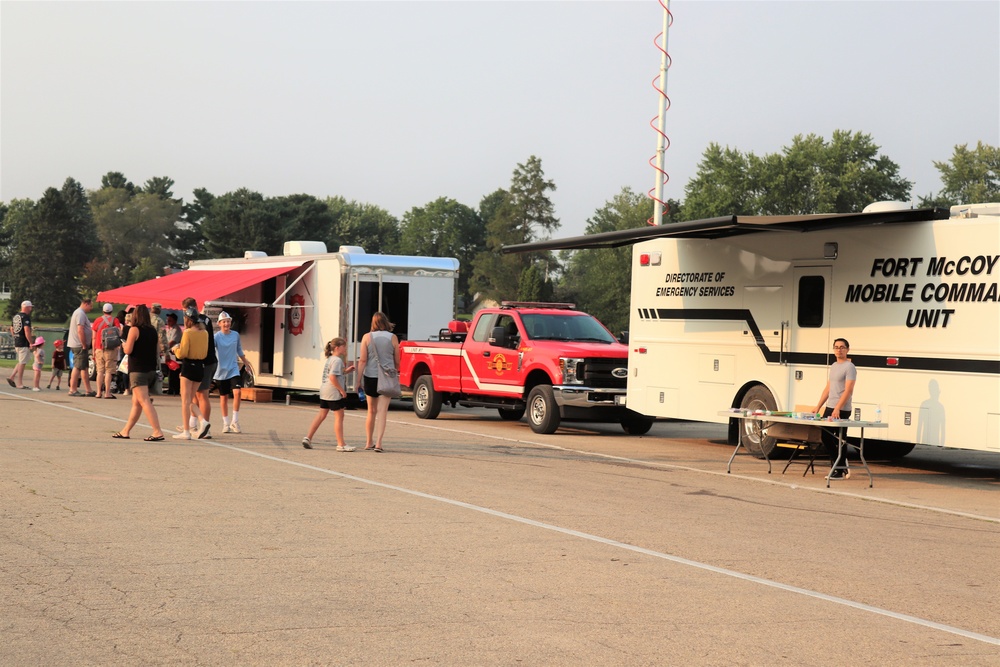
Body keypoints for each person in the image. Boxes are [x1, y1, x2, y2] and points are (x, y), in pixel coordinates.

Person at [112, 305, 166, 442]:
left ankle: (157, 431)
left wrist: (124, 345)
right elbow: (157, 348)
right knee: (136, 402)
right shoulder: (152, 330)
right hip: (150, 369)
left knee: (144, 401)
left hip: (138, 370)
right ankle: (126, 430)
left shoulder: (134, 330)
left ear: (136, 316)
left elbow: (128, 350)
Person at [813, 337, 857, 480]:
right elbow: (828, 387)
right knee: (825, 436)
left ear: (847, 349)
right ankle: (840, 466)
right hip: (830, 406)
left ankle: (839, 470)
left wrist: (838, 408)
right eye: (836, 347)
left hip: (842, 408)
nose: (839, 349)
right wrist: (818, 406)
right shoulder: (833, 365)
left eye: (842, 347)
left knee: (840, 439)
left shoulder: (849, 367)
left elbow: (848, 389)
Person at [355, 311, 400, 452]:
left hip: (370, 377)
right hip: (386, 377)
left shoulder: (366, 337)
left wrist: (357, 381)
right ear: (386, 322)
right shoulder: (393, 338)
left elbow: (362, 360)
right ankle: (379, 443)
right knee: (382, 412)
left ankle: (369, 442)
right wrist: (394, 370)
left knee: (371, 411)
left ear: (373, 323)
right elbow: (397, 361)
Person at [303, 338, 355, 451]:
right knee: (339, 416)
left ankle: (308, 437)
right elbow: (332, 377)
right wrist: (341, 390)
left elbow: (335, 373)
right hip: (333, 392)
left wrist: (347, 371)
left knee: (322, 415)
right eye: (343, 346)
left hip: (324, 390)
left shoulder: (331, 359)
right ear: (337, 348)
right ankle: (341, 444)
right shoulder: (337, 360)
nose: (345, 348)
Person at [171, 307, 208, 440]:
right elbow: (205, 351)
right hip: (200, 367)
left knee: (185, 401)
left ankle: (186, 431)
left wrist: (175, 349)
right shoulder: (205, 333)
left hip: (189, 366)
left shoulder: (187, 333)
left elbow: (183, 353)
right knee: (191, 399)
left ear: (187, 320)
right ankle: (202, 421)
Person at [181, 297, 216, 439]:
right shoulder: (205, 320)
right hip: (207, 360)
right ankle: (193, 423)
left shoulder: (198, 322)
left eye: (185, 310)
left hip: (204, 361)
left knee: (202, 395)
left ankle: (205, 427)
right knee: (194, 395)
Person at [213, 311, 251, 434]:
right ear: (219, 323)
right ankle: (226, 423)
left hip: (233, 368)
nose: (226, 324)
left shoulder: (235, 335)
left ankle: (235, 421)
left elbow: (239, 349)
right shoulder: (216, 337)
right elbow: (210, 351)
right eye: (224, 322)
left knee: (237, 392)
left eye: (228, 321)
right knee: (223, 397)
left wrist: (246, 362)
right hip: (220, 370)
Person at [67, 298, 96, 397]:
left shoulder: (80, 313)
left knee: (83, 367)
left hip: (79, 344)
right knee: (78, 367)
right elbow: (80, 330)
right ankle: (73, 389)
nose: (91, 308)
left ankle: (88, 390)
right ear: (86, 304)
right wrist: (84, 344)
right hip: (79, 345)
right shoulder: (80, 313)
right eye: (91, 306)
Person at [92, 303, 122, 399]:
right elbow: (119, 333)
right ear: (111, 311)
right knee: (109, 371)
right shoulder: (115, 320)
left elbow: (93, 337)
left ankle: (98, 392)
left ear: (103, 311)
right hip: (111, 349)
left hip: (99, 348)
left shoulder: (97, 320)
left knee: (100, 371)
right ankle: (107, 393)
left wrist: (93, 350)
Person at [7, 300, 34, 389]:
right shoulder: (26, 317)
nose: (31, 309)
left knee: (21, 361)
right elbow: (27, 330)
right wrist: (31, 342)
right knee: (22, 363)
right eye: (30, 307)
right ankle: (19, 383)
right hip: (23, 342)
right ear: (27, 307)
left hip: (17, 341)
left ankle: (12, 377)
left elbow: (11, 328)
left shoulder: (16, 316)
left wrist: (15, 337)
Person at [161, 313, 182, 395]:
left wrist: (163, 348)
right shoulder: (169, 329)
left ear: (175, 321)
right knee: (169, 371)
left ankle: (174, 389)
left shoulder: (176, 330)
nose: (168, 322)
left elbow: (172, 342)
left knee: (173, 372)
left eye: (170, 320)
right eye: (167, 320)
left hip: (174, 353)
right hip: (167, 352)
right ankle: (170, 388)